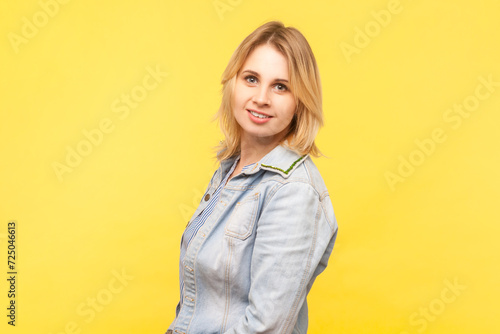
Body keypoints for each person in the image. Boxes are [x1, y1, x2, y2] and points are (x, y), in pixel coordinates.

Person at [166, 20, 339, 334]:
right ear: (233, 84)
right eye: (251, 79)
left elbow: (266, 328)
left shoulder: (293, 191)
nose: (261, 97)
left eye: (280, 86)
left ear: (301, 101)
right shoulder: (232, 171)